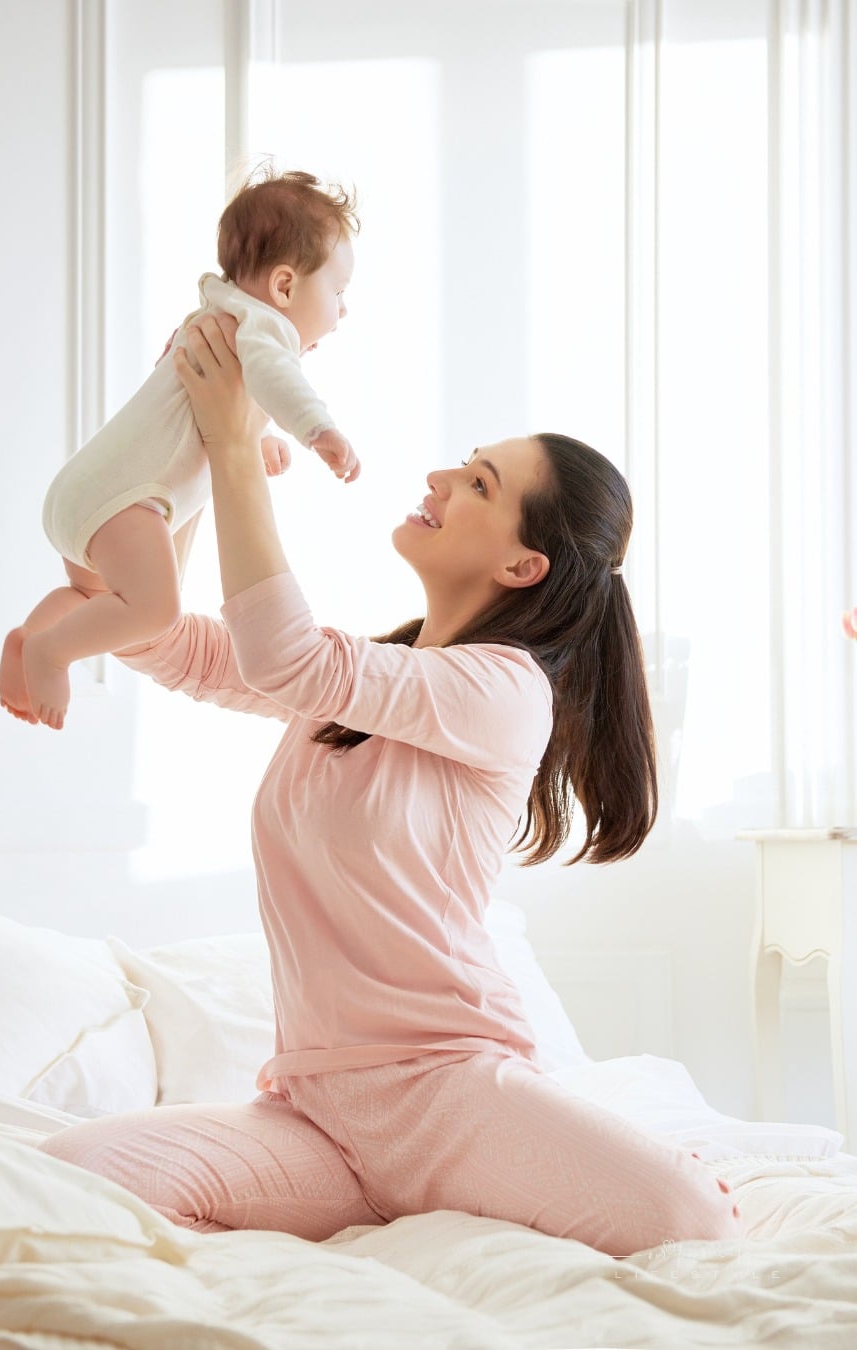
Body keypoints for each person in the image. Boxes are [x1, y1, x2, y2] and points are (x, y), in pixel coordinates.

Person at [40, 315, 741, 1256]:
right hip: (320, 1112)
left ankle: (474, 1188)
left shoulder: (506, 693)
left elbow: (284, 655)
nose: (441, 480)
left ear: (521, 566)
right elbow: (179, 644)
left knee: (690, 1219)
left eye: (480, 484)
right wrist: (172, 474)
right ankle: (402, 1208)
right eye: (463, 462)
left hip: (449, 1093)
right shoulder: (367, 677)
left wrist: (235, 448)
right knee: (65, 1175)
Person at [0, 168, 360, 731]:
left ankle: (31, 639)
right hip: (124, 506)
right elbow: (278, 379)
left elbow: (192, 410)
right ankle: (52, 654)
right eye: (338, 293)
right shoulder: (264, 329)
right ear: (285, 287)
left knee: (92, 594)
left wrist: (258, 438)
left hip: (95, 497)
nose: (343, 312)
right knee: (156, 611)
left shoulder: (219, 318)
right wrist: (319, 430)